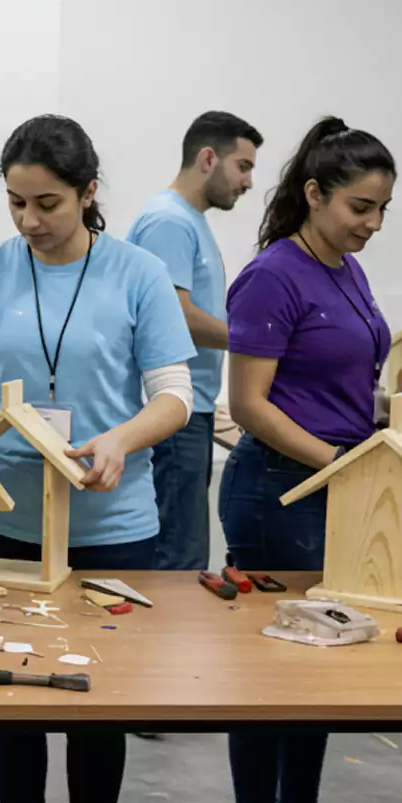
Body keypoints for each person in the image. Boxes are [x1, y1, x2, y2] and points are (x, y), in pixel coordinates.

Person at [0, 114, 195, 803]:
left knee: (97, 702)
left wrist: (120, 440)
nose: (29, 221)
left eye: (47, 203)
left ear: (88, 192)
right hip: (3, 515)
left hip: (109, 527)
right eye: (16, 203)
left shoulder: (140, 274)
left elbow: (174, 398)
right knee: (10, 695)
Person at [221, 116, 395, 803]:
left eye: (383, 209)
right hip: (278, 492)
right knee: (273, 675)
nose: (373, 224)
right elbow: (249, 404)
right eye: (361, 207)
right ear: (316, 193)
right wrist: (339, 462)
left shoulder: (347, 269)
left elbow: (336, 378)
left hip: (333, 482)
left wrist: (390, 417)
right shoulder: (273, 276)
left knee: (323, 661)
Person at [125, 111, 261, 571]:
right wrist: (258, 344)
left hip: (193, 409)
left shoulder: (186, 220)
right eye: (243, 166)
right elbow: (174, 317)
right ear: (208, 157)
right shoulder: (169, 222)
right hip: (173, 414)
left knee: (185, 554)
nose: (247, 182)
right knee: (177, 560)